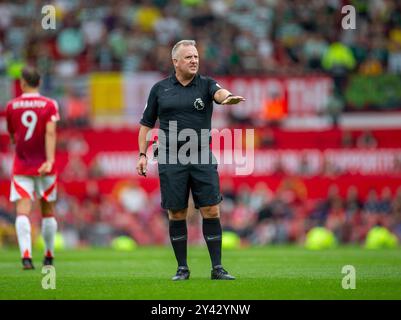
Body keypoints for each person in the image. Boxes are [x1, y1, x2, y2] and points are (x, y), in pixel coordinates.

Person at [136, 40, 245, 280]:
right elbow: (146, 125)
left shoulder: (206, 84)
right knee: (176, 213)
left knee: (211, 209)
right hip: (170, 158)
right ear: (175, 62)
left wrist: (227, 98)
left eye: (196, 56)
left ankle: (217, 268)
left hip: (201, 156)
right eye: (188, 57)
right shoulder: (160, 89)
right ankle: (182, 268)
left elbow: (219, 92)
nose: (194, 60)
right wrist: (143, 155)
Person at [6, 67, 60, 270]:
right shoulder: (49, 104)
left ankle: (26, 257)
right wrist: (50, 160)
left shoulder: (12, 105)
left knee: (22, 211)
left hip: (22, 166)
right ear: (39, 82)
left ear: (22, 83)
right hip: (45, 167)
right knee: (48, 211)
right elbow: (50, 133)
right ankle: (48, 255)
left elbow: (12, 136)